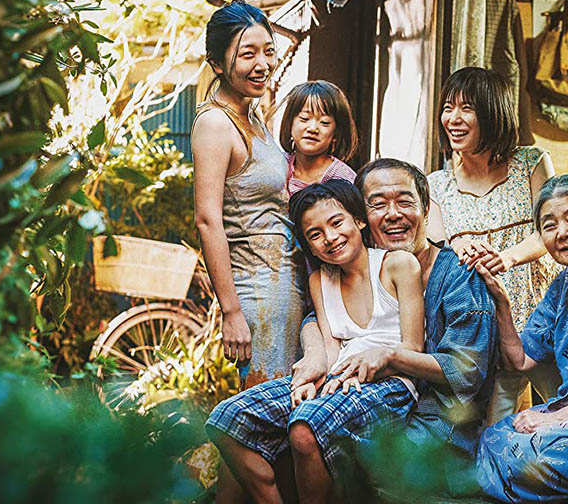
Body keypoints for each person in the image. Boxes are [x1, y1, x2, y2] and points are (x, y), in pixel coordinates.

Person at [207, 159, 499, 502]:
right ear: (363, 216)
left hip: (434, 419)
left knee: (307, 434)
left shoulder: (458, 275)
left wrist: (388, 357)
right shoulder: (340, 272)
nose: (392, 214)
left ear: (427, 208)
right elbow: (322, 320)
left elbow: (466, 371)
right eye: (378, 204)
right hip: (350, 387)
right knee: (239, 425)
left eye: (405, 202)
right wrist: (316, 354)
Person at [426, 66, 560, 424]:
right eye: (447, 107)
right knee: (493, 426)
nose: (453, 118)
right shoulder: (436, 185)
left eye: (466, 108)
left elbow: (550, 231)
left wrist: (506, 257)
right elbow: (439, 252)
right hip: (485, 329)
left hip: (542, 317)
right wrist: (460, 246)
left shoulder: (531, 163)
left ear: (492, 111)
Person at [192, 0, 305, 391]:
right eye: (247, 54)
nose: (263, 63)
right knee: (270, 409)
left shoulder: (252, 115)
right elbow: (208, 219)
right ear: (218, 65)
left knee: (291, 408)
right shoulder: (214, 124)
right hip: (258, 290)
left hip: (285, 282)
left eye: (268, 51)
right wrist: (231, 311)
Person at [476, 174, 568, 503]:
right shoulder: (564, 285)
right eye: (550, 225)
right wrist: (501, 303)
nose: (563, 233)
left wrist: (553, 418)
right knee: (491, 439)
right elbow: (521, 359)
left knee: (535, 459)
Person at [279, 81, 358, 197]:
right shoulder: (278, 165)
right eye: (304, 118)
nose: (312, 128)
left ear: (336, 133)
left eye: (324, 122)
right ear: (290, 123)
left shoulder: (343, 179)